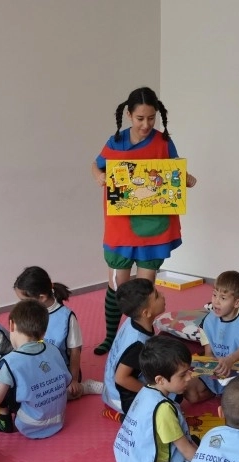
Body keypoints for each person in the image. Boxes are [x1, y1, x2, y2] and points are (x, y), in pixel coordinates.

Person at [91, 86, 197, 355]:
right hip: (121, 224)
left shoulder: (163, 142)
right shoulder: (116, 141)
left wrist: (186, 179)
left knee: (146, 289)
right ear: (129, 115)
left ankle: (142, 338)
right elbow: (96, 164)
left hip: (154, 225)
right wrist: (99, 175)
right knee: (118, 285)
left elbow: (175, 173)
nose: (146, 124)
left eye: (151, 118)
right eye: (140, 118)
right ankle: (111, 336)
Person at [113, 336, 198, 462]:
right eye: (183, 375)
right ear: (160, 379)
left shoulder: (146, 391)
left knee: (198, 442)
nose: (189, 377)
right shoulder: (163, 409)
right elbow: (186, 450)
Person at [0, 300, 71, 439]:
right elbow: (66, 381)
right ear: (44, 332)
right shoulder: (53, 349)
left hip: (30, 424)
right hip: (59, 418)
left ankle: (4, 420)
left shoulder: (11, 360)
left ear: (11, 325)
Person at [13, 266, 102, 399]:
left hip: (60, 371)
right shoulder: (28, 313)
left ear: (42, 297)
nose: (21, 305)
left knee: (46, 396)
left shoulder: (66, 317)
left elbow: (75, 351)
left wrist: (74, 380)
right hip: (36, 367)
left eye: (23, 300)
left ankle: (85, 387)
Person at [184, 270, 239, 403]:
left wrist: (230, 360)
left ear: (237, 303)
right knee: (190, 393)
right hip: (216, 369)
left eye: (223, 298)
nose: (216, 302)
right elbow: (209, 353)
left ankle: (226, 393)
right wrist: (214, 366)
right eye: (214, 295)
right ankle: (219, 392)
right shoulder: (207, 321)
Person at [101, 278, 166, 418]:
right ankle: (119, 415)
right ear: (146, 313)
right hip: (120, 398)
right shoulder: (138, 345)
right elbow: (121, 378)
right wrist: (152, 392)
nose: (163, 296)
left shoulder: (134, 320)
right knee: (170, 401)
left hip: (110, 388)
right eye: (157, 296)